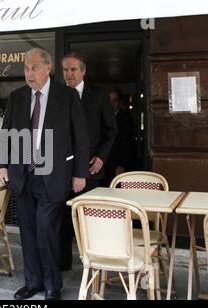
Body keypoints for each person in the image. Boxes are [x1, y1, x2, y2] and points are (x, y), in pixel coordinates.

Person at [0, 48, 89, 300]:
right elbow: (5, 135)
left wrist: (80, 173)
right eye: (26, 68)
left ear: (48, 68)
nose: (29, 73)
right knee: (27, 231)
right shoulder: (17, 97)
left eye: (34, 67)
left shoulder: (67, 96)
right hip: (23, 175)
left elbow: (80, 138)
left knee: (46, 229)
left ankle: (52, 285)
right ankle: (33, 282)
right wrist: (2, 165)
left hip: (54, 175)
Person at [59, 52, 118, 271]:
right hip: (62, 170)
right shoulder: (58, 95)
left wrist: (102, 157)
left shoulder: (99, 96)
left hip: (91, 168)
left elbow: (111, 131)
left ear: (83, 71)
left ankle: (92, 265)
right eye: (65, 70)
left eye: (74, 69)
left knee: (89, 219)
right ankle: (62, 264)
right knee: (63, 220)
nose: (69, 74)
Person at [103, 88, 135, 186]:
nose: (111, 103)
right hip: (104, 163)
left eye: (115, 100)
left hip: (118, 163)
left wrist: (122, 165)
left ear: (120, 102)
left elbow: (126, 142)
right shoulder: (102, 117)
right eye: (109, 100)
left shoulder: (126, 118)